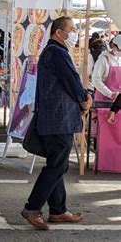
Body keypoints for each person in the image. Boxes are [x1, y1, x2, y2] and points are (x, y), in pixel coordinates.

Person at [21, 16, 92, 230]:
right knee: (57, 165)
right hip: (58, 118)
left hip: (54, 116)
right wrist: (84, 98)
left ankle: (58, 210)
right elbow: (71, 80)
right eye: (71, 29)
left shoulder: (53, 52)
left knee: (56, 163)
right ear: (59, 33)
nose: (75, 33)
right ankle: (32, 208)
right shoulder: (57, 53)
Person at [93, 34, 121, 104]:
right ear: (113, 46)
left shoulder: (119, 59)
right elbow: (95, 79)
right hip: (104, 100)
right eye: (120, 49)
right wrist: (110, 94)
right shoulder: (103, 59)